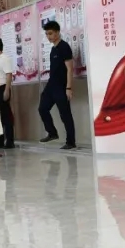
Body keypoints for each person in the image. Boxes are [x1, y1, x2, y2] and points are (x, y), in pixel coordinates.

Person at [39, 20, 77, 150]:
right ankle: (52, 133)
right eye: (46, 34)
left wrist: (69, 88)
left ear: (57, 32)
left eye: (50, 33)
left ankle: (71, 142)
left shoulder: (64, 47)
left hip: (62, 86)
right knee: (42, 108)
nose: (48, 36)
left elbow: (70, 69)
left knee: (65, 114)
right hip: (51, 85)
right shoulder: (53, 49)